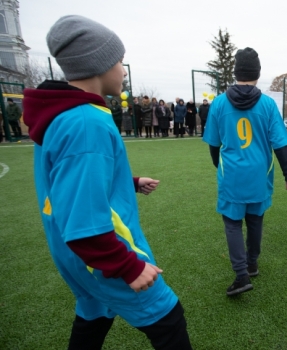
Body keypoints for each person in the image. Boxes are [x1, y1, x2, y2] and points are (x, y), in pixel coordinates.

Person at [22, 15, 192, 349]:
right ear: (98, 64)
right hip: (99, 254)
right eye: (119, 60)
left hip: (72, 255)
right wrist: (126, 265)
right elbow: (83, 219)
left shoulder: (60, 115)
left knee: (94, 315)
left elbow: (68, 181)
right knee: (168, 318)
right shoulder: (87, 122)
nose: (123, 70)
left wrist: (127, 182)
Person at [203, 47, 287, 296]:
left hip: (232, 175)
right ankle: (252, 264)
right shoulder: (267, 104)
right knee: (255, 220)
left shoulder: (219, 103)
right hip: (259, 175)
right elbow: (280, 144)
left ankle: (241, 274)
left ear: (236, 72)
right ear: (257, 74)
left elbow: (213, 144)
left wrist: (218, 167)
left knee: (233, 223)